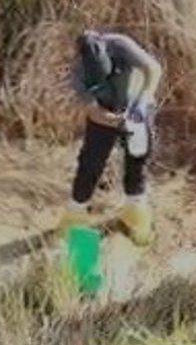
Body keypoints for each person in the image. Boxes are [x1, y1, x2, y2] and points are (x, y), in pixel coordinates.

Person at [59, 29, 163, 245]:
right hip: (106, 116)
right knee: (90, 164)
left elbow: (153, 68)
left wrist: (142, 103)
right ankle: (75, 216)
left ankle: (134, 211)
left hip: (138, 104)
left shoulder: (120, 44)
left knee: (138, 159)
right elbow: (94, 112)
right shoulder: (78, 75)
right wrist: (117, 121)